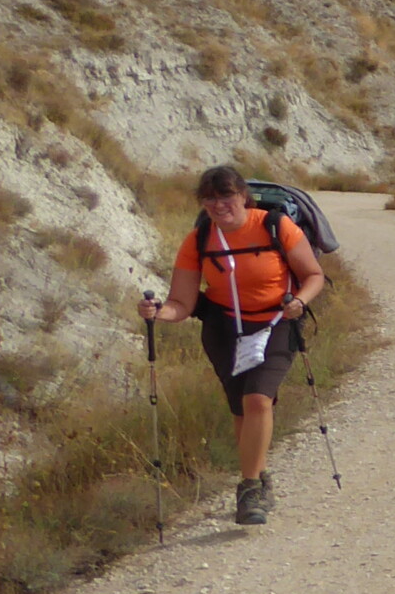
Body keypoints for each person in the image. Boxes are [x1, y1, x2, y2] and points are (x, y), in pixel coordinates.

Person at [138, 166, 325, 526]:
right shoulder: (198, 239)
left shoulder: (275, 225)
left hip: (277, 322)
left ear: (242, 195)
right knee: (241, 411)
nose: (219, 205)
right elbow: (182, 303)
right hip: (224, 329)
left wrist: (299, 301)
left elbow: (314, 275)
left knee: (258, 399)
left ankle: (250, 488)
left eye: (226, 196)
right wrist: (157, 313)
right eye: (210, 199)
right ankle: (260, 476)